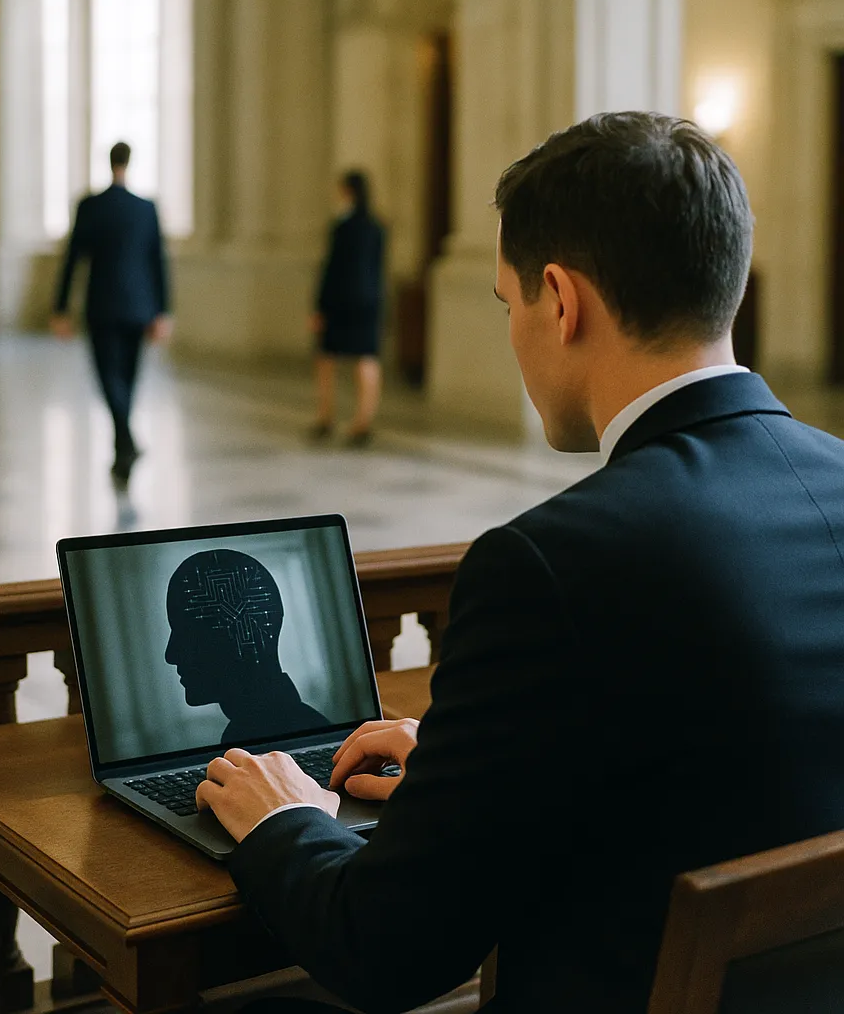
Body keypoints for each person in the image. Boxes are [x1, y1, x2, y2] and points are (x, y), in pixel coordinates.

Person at [192, 112, 844, 1014]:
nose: (511, 336)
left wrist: (284, 818)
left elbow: (384, 951)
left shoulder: (547, 566)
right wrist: (471, 773)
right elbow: (734, 762)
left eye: (508, 305)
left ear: (562, 301)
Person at [51, 141, 173, 488]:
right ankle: (125, 447)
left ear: (109, 163)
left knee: (109, 378)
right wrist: (163, 311)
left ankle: (125, 443)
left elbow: (73, 259)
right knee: (127, 380)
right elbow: (158, 262)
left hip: (102, 305)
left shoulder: (90, 206)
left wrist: (61, 307)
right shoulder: (145, 208)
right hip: (139, 306)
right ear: (129, 163)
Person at [165, 549, 331, 744]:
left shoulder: (258, 738)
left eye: (186, 633)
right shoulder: (301, 725)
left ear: (241, 636)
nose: (170, 655)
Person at [309, 171, 386, 446]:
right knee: (366, 358)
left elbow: (331, 270)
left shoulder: (341, 227)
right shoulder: (377, 227)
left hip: (340, 301)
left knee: (327, 358)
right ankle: (363, 421)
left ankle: (325, 417)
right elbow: (378, 269)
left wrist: (319, 306)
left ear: (347, 192)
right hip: (369, 301)